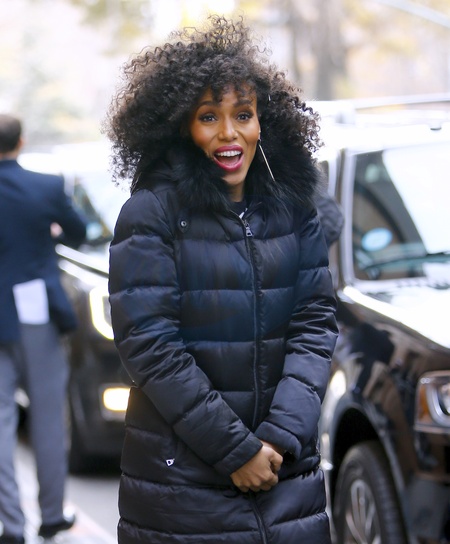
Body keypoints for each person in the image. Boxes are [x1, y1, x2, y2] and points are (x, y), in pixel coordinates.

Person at [106, 15, 339, 544]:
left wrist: (280, 437)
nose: (229, 132)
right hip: (183, 486)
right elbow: (150, 345)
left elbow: (315, 323)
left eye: (243, 114)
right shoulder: (151, 213)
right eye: (209, 116)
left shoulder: (294, 209)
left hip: (286, 476)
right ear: (181, 128)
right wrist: (235, 451)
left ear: (264, 123)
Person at [0, 114, 86, 544]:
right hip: (35, 310)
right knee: (48, 419)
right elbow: (78, 231)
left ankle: (11, 526)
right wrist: (46, 237)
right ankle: (51, 515)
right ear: (22, 141)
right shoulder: (46, 186)